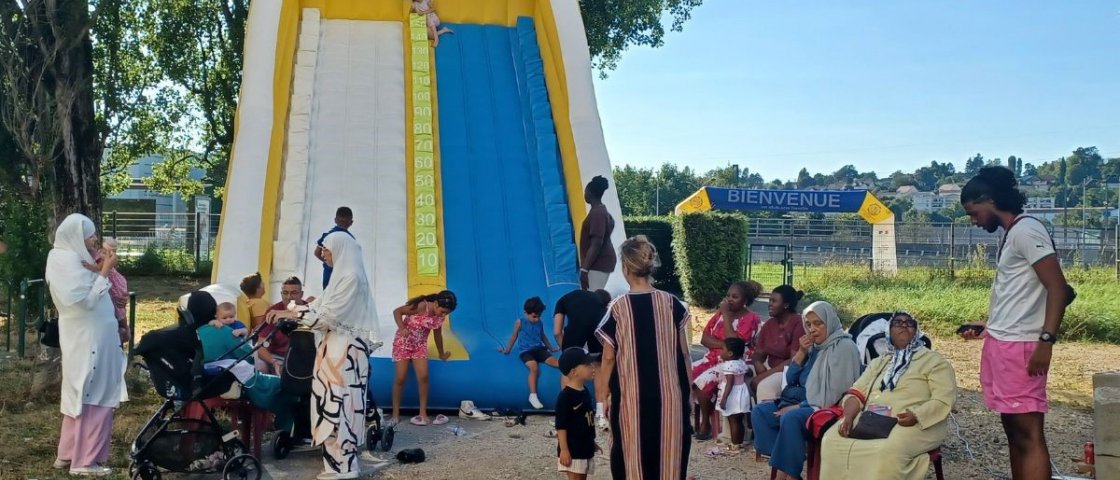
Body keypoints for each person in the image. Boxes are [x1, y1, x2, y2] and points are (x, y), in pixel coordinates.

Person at [959, 166, 1071, 480]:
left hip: (1022, 347)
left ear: (990, 200)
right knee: (1014, 434)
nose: (974, 221)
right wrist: (989, 324)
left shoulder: (1026, 230)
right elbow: (1022, 294)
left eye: (974, 212)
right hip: (1004, 342)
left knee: (1028, 435)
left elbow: (1058, 288)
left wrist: (1045, 342)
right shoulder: (1013, 234)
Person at [266, 233, 380, 480]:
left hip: (345, 353)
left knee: (341, 405)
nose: (324, 255)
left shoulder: (350, 278)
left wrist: (290, 313)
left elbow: (327, 318)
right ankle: (335, 464)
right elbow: (318, 309)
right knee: (330, 404)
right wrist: (291, 310)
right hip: (334, 350)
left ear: (340, 249)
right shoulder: (342, 277)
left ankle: (345, 466)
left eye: (327, 250)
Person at [595, 235, 692, 479]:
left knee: (630, 455)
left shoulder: (618, 307)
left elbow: (608, 359)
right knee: (669, 454)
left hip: (631, 398)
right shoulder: (673, 304)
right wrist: (687, 393)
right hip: (670, 396)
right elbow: (684, 354)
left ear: (625, 268)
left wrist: (602, 397)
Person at [821, 312, 957, 479]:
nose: (904, 326)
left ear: (917, 331)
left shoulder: (935, 361)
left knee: (885, 450)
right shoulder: (880, 362)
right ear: (888, 331)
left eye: (910, 323)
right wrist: (848, 416)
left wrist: (917, 414)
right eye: (898, 323)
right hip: (873, 418)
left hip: (914, 422)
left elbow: (944, 399)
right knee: (831, 440)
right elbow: (856, 392)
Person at [45, 213, 126, 477]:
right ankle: (85, 461)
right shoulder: (67, 261)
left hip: (86, 334)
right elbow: (86, 301)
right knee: (95, 391)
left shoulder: (65, 257)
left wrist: (103, 268)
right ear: (76, 237)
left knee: (79, 390)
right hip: (89, 335)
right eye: (89, 235)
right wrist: (103, 272)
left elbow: (112, 291)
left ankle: (67, 453)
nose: (94, 239)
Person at [751, 301, 860, 480]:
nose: (812, 329)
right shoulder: (814, 347)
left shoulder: (844, 348)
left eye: (818, 323)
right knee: (760, 412)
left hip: (824, 407)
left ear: (829, 321)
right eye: (808, 324)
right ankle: (788, 462)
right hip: (796, 402)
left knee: (791, 418)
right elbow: (791, 380)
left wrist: (798, 407)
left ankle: (784, 475)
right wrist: (801, 352)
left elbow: (837, 392)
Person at [691, 281, 762, 440]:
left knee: (703, 383)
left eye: (735, 297)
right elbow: (704, 339)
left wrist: (727, 317)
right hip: (713, 358)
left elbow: (736, 345)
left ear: (745, 300)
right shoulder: (719, 314)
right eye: (728, 295)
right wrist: (724, 345)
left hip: (735, 362)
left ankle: (705, 424)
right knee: (683, 374)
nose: (729, 299)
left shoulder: (751, 318)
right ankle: (686, 420)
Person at [389, 290, 457, 426]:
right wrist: (402, 328)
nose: (443, 315)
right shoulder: (421, 306)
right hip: (403, 344)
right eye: (442, 311)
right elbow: (397, 312)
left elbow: (438, 336)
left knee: (424, 377)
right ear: (436, 303)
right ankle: (395, 414)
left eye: (446, 313)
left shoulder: (439, 317)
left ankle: (422, 412)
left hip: (419, 346)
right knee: (401, 377)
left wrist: (441, 353)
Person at [500, 296, 560, 409]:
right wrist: (507, 350)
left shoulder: (539, 323)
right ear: (525, 312)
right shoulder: (520, 322)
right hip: (526, 351)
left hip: (539, 349)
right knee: (534, 368)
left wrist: (551, 348)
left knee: (556, 362)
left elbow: (543, 336)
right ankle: (533, 396)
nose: (537, 319)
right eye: (534, 316)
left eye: (539, 316)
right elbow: (514, 337)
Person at [751, 285, 807, 402]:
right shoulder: (769, 324)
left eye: (774, 301)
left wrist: (764, 376)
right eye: (770, 300)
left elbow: (794, 360)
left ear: (786, 305)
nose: (769, 304)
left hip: (788, 372)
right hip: (769, 367)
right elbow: (758, 353)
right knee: (736, 378)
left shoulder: (798, 324)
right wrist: (757, 364)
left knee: (764, 386)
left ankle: (765, 417)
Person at [556, 347, 600, 480]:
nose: (592, 367)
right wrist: (564, 450)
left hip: (585, 447)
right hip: (573, 450)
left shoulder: (585, 391)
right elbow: (561, 426)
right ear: (573, 372)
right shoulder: (565, 397)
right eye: (587, 365)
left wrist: (591, 442)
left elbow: (586, 420)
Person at [579, 176, 616, 291]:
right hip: (599, 262)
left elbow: (596, 243)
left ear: (589, 193)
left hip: (599, 263)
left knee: (591, 298)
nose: (584, 194)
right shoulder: (601, 211)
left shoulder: (597, 213)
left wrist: (584, 270)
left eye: (585, 191)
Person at [716, 337, 751, 451]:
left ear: (730, 353)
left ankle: (735, 445)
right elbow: (748, 372)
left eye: (723, 349)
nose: (721, 352)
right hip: (742, 391)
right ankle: (739, 442)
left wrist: (724, 399)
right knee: (739, 420)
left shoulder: (728, 365)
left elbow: (729, 383)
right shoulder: (741, 363)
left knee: (733, 420)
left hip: (732, 394)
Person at [553, 288, 611, 355]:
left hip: (578, 325)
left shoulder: (563, 300)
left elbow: (557, 333)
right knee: (598, 355)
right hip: (598, 324)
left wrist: (565, 350)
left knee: (571, 356)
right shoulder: (601, 305)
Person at [314, 207, 355, 289]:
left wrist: (327, 262)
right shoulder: (351, 239)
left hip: (328, 273)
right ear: (351, 222)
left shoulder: (327, 235)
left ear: (335, 220)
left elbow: (316, 253)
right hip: (343, 276)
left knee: (327, 297)